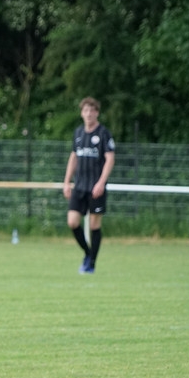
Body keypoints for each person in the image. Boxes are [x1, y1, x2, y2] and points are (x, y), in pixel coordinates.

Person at [63, 96, 116, 274]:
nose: (88, 114)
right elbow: (73, 157)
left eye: (92, 111)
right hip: (79, 186)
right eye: (85, 110)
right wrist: (67, 182)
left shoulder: (103, 133)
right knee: (72, 222)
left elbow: (110, 159)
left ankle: (91, 263)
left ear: (97, 113)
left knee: (94, 225)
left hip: (96, 188)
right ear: (81, 113)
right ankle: (88, 253)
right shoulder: (78, 133)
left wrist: (101, 182)